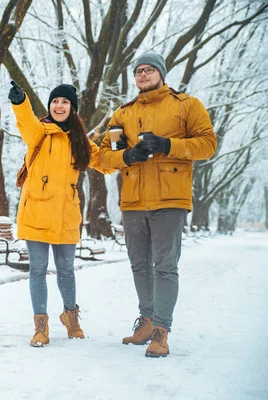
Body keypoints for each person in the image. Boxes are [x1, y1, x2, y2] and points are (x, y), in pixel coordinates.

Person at [99, 51, 217, 357]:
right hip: (134, 201)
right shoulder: (122, 114)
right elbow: (102, 156)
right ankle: (147, 322)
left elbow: (208, 144)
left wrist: (167, 145)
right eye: (138, 71)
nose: (143, 75)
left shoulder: (186, 105)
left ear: (161, 74)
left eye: (149, 70)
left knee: (165, 266)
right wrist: (125, 155)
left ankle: (162, 331)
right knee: (139, 265)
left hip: (170, 198)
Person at [8, 81, 115, 347]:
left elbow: (104, 162)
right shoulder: (40, 132)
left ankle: (71, 317)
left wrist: (124, 151)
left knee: (66, 270)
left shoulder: (80, 142)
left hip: (67, 214)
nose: (59, 106)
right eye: (55, 101)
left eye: (64, 102)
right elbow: (25, 121)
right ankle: (41, 326)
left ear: (72, 108)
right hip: (36, 211)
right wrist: (20, 102)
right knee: (38, 269)